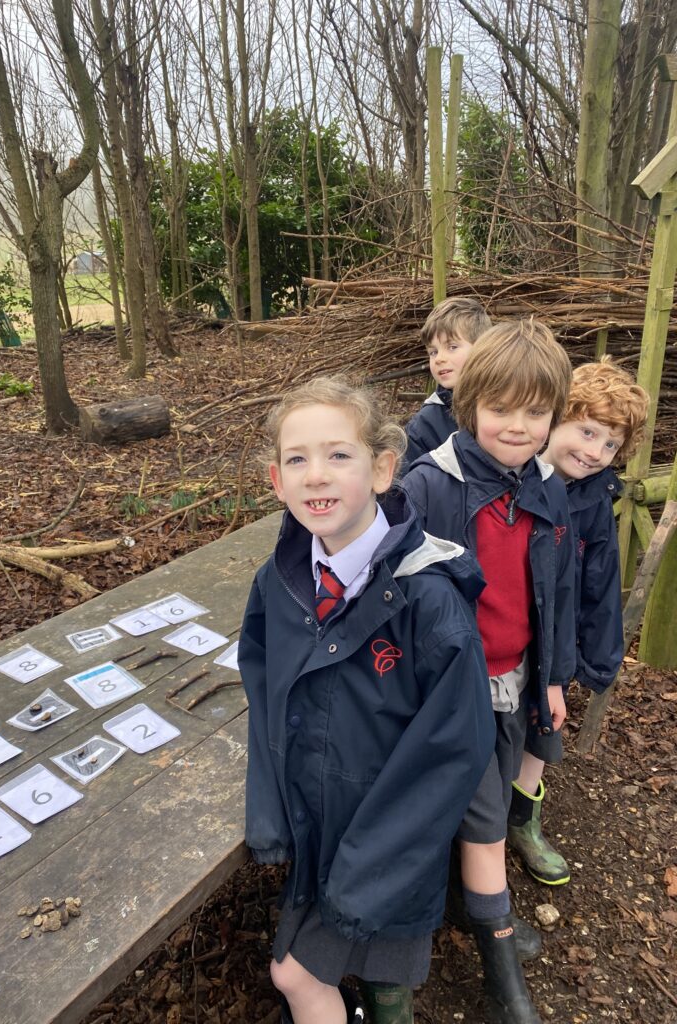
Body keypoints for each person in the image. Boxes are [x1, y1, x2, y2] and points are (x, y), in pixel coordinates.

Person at [239, 376, 495, 1024]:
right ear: (276, 480)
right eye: (297, 459)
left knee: (302, 974)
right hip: (315, 828)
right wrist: (271, 816)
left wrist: (361, 878)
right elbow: (265, 691)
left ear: (382, 469)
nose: (316, 475)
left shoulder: (430, 604)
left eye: (338, 455)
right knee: (328, 973)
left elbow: (448, 757)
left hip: (384, 847)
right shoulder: (279, 583)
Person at [402, 320, 576, 1024]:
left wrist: (554, 678)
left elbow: (554, 593)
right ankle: (502, 976)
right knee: (484, 826)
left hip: (516, 678)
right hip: (453, 691)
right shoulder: (429, 487)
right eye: (502, 409)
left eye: (536, 413)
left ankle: (473, 909)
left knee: (493, 803)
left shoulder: (546, 485)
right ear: (469, 402)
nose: (518, 426)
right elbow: (397, 595)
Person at [507, 358, 649, 886]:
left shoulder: (594, 499)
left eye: (609, 444)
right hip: (504, 632)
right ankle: (473, 827)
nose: (593, 452)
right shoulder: (514, 475)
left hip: (554, 643)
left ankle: (523, 821)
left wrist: (595, 659)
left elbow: (599, 583)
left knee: (541, 732)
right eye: (586, 431)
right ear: (555, 420)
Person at [403, 296, 492, 470]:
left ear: (482, 349)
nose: (439, 359)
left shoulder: (506, 404)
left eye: (452, 347)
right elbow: (407, 487)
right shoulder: (424, 424)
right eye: (433, 352)